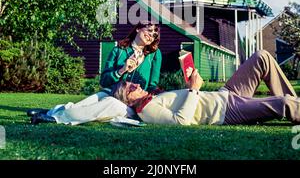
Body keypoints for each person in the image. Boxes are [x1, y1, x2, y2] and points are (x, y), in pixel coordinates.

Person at [113, 50, 300, 126]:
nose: (137, 84)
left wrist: (190, 86)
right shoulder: (146, 110)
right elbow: (181, 122)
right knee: (284, 103)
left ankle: (297, 106)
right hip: (226, 111)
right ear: (128, 100)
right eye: (131, 88)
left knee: (262, 57)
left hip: (225, 94)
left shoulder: (151, 98)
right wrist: (194, 89)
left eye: (133, 83)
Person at [29, 21, 162, 125]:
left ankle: (57, 118)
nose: (151, 35)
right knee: (84, 103)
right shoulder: (119, 50)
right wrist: (122, 70)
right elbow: (104, 81)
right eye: (149, 30)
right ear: (138, 28)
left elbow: (153, 84)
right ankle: (52, 112)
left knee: (109, 104)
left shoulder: (155, 55)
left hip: (133, 102)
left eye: (155, 34)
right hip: (111, 91)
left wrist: (149, 100)